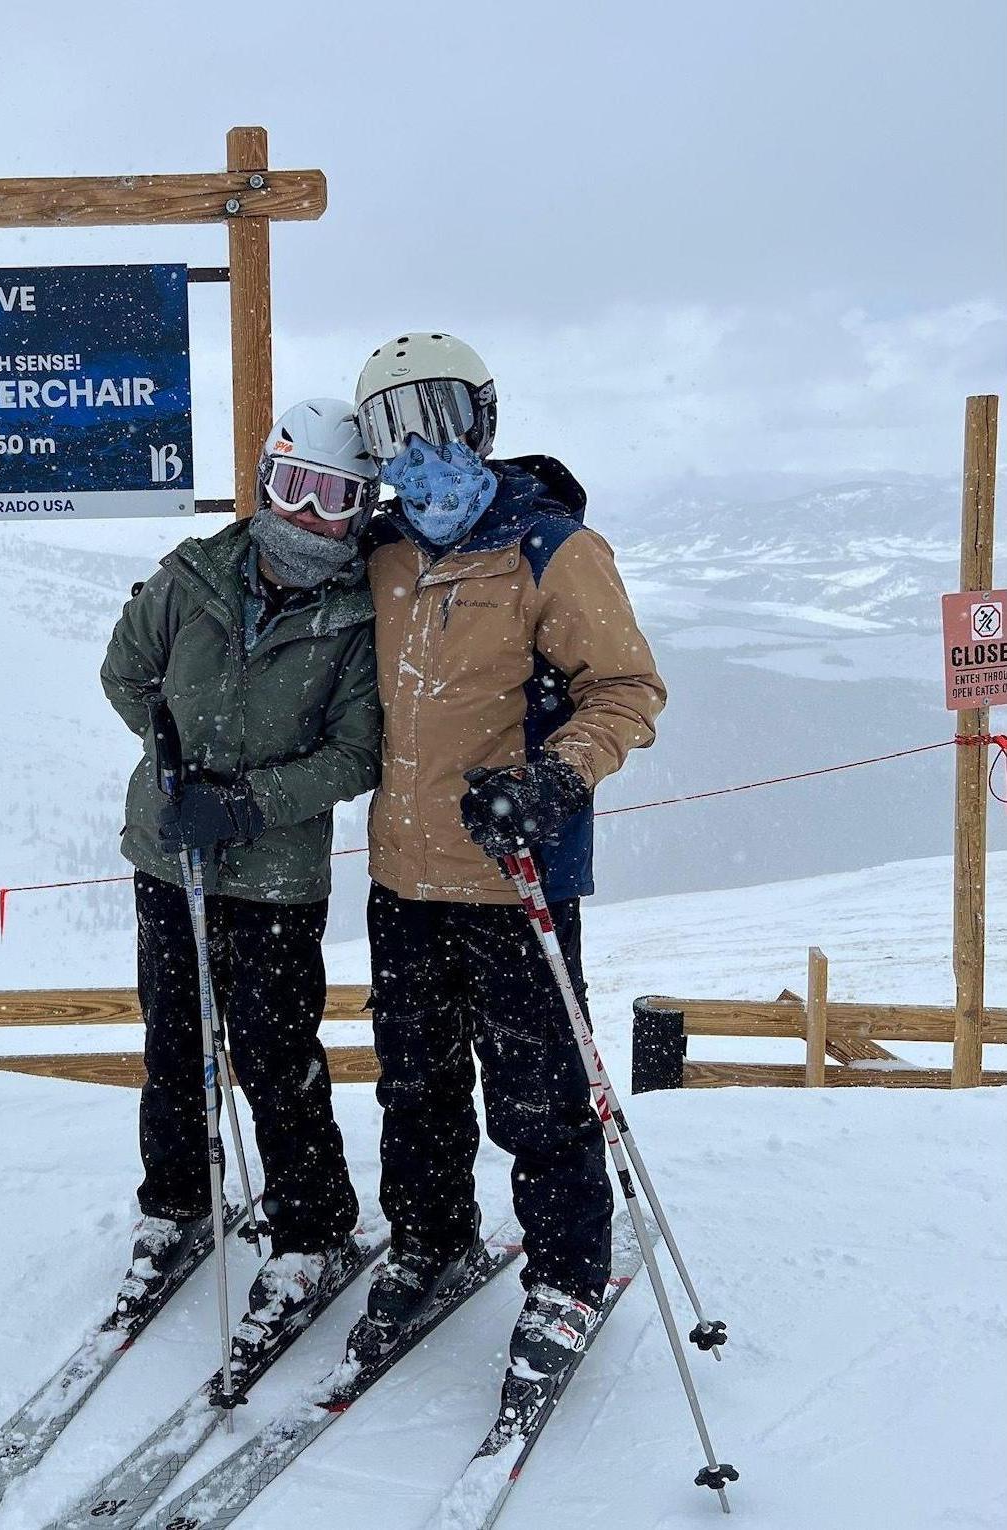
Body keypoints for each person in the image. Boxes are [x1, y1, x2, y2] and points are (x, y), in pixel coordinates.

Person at [350, 333, 666, 1413]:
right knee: (416, 1084)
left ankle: (567, 1274)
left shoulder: (552, 550)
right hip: (404, 877)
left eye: (439, 420)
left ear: (483, 422)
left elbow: (625, 689)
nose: (420, 455)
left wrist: (554, 779)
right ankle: (432, 1238)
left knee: (538, 1095)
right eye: (393, 431)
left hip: (513, 873)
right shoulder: (384, 552)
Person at [100, 398, 381, 1341]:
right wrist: (174, 771)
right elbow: (126, 674)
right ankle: (176, 1202)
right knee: (175, 1042)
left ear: (360, 508)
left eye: (334, 498)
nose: (308, 514)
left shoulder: (357, 614)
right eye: (294, 486)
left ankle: (311, 1228)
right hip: (170, 854)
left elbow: (357, 752)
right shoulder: (194, 576)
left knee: (274, 1053)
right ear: (265, 479)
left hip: (273, 877)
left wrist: (249, 802)